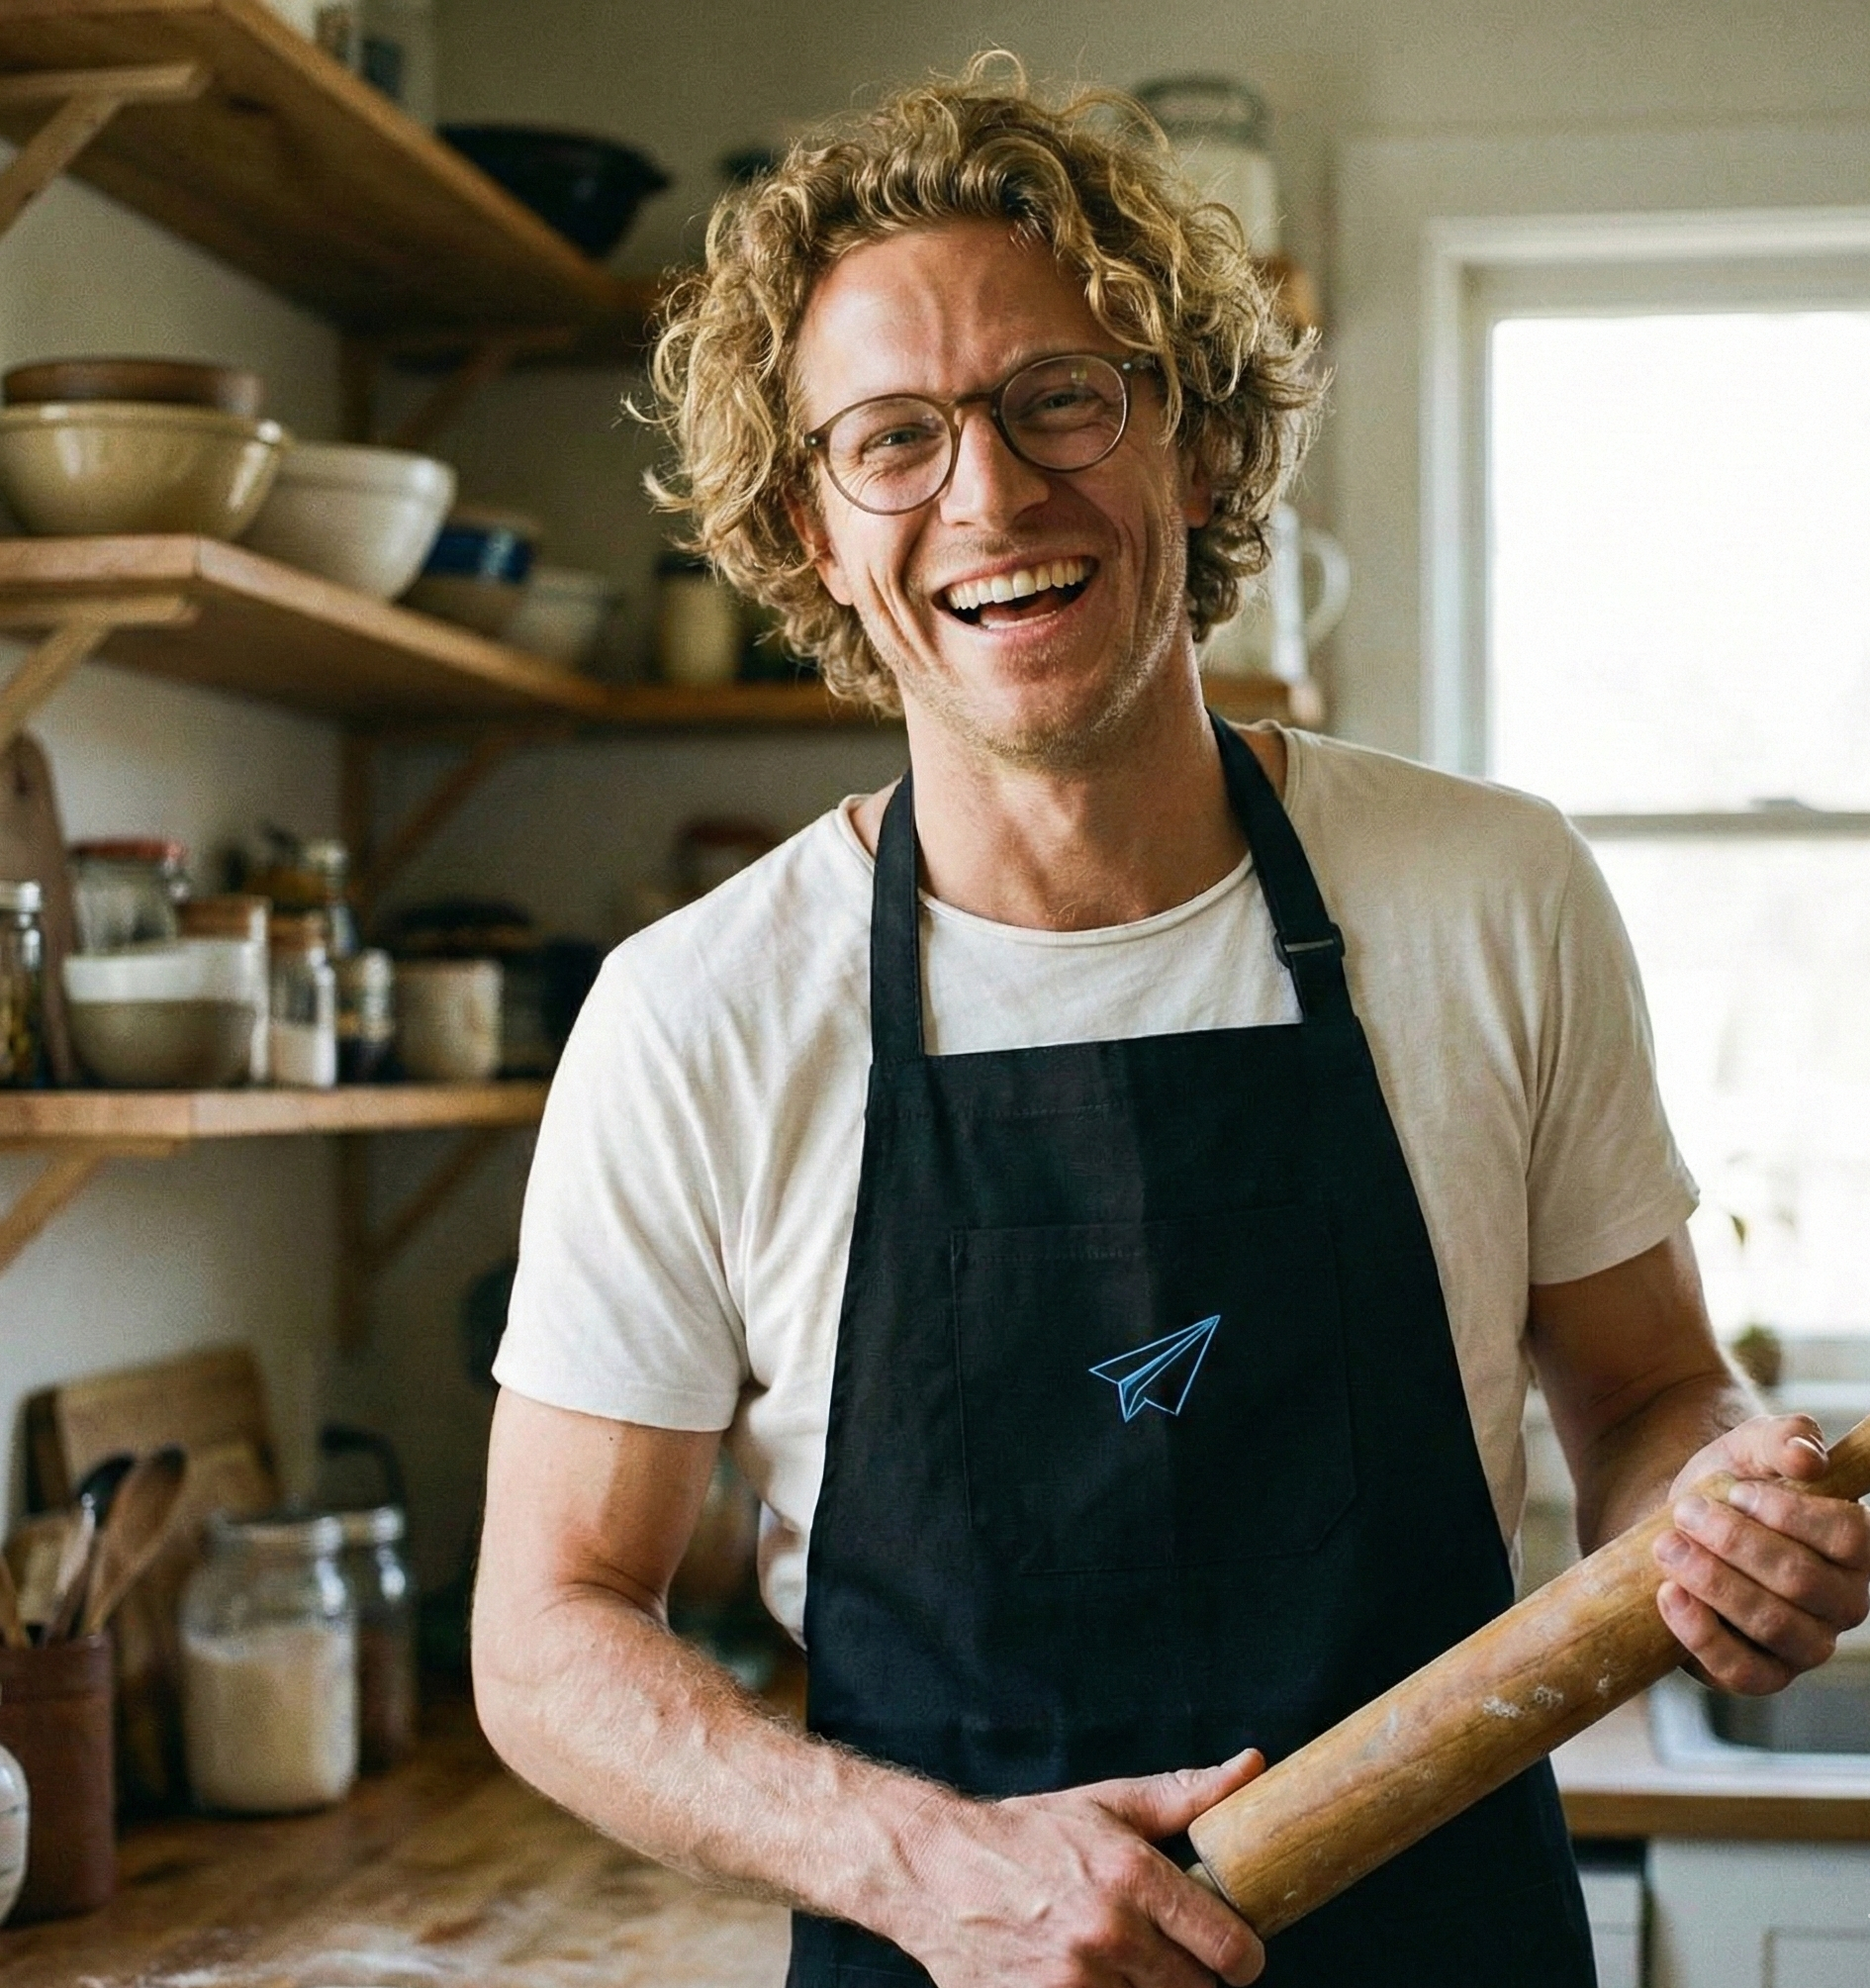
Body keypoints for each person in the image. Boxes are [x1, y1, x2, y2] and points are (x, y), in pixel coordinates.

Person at [472, 59, 1870, 1988]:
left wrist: (1708, 1506)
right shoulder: (699, 1014)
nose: (988, 491)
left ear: (1197, 446)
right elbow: (547, 1626)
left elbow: (1645, 1389)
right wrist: (929, 1860)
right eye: (893, 437)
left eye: (1060, 397)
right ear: (811, 526)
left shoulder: (1491, 893)